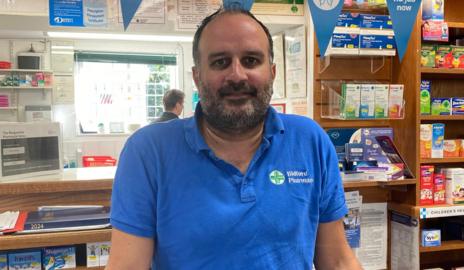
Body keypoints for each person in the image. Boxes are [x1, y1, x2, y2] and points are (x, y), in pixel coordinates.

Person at [106, 8, 362, 270]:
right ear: (197, 77)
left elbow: (338, 261)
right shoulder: (148, 151)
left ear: (272, 72)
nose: (237, 75)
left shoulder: (310, 141)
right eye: (220, 62)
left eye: (251, 60)